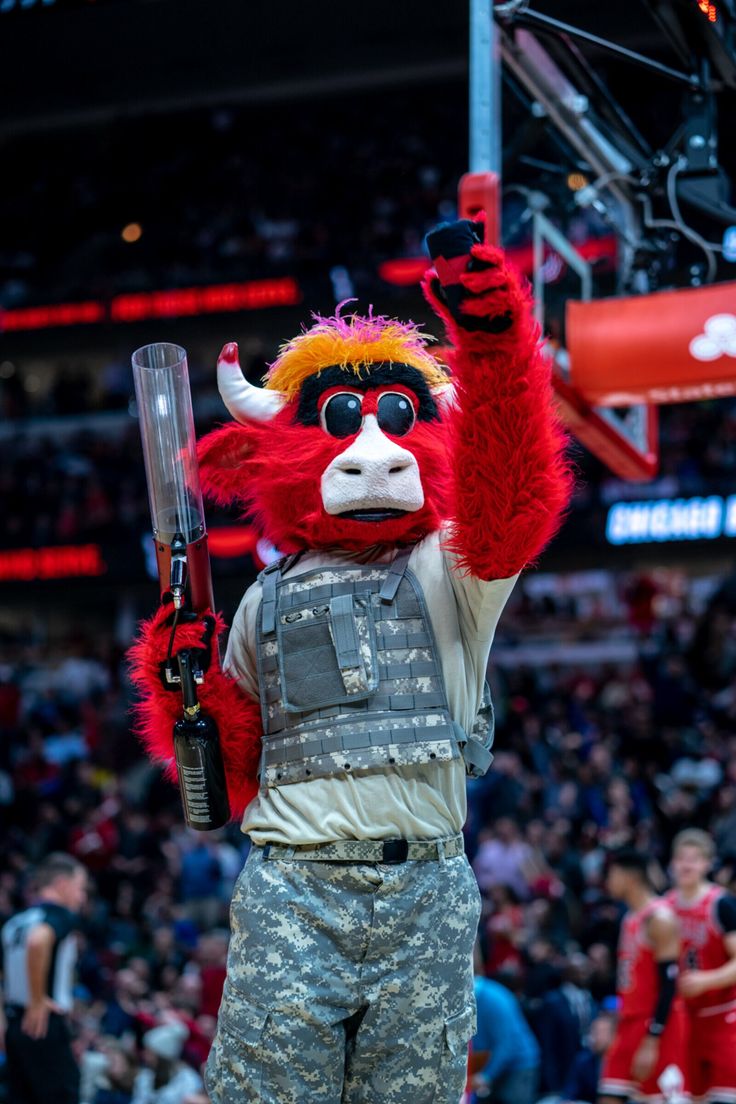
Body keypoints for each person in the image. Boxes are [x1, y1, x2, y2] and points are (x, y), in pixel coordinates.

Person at [129, 218, 571, 1102]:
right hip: (296, 890)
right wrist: (185, 683)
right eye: (340, 423)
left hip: (428, 891)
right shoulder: (263, 596)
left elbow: (510, 489)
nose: (373, 453)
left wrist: (491, 346)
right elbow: (228, 770)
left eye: (398, 420)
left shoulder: (451, 565)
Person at [598, 849, 687, 1104]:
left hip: (657, 1024)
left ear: (629, 878)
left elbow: (670, 985)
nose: (608, 882)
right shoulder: (629, 918)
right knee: (609, 1094)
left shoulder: (660, 918)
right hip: (629, 1021)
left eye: (612, 875)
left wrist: (653, 1039)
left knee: (657, 1099)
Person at [1, 851, 88, 1104]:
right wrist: (38, 999)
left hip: (15, 1025)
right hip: (44, 1023)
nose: (82, 897)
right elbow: (38, 941)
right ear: (62, 884)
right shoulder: (59, 915)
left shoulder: (15, 922)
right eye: (79, 888)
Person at [666, 828, 736, 1104]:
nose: (687, 864)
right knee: (688, 1098)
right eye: (682, 858)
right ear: (672, 863)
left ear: (707, 864)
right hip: (683, 1019)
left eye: (694, 859)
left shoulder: (722, 905)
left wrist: (707, 980)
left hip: (724, 1016)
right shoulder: (664, 907)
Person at [470, 973, 540, 1102]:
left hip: (518, 1065)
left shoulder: (493, 1000)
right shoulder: (476, 997)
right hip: (494, 1063)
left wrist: (486, 1076)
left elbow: (506, 1045)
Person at [559, 1011, 616, 1104]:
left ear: (614, 1035)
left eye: (601, 1032)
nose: (595, 1037)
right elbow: (569, 1093)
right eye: (593, 1031)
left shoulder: (624, 1062)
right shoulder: (583, 1060)